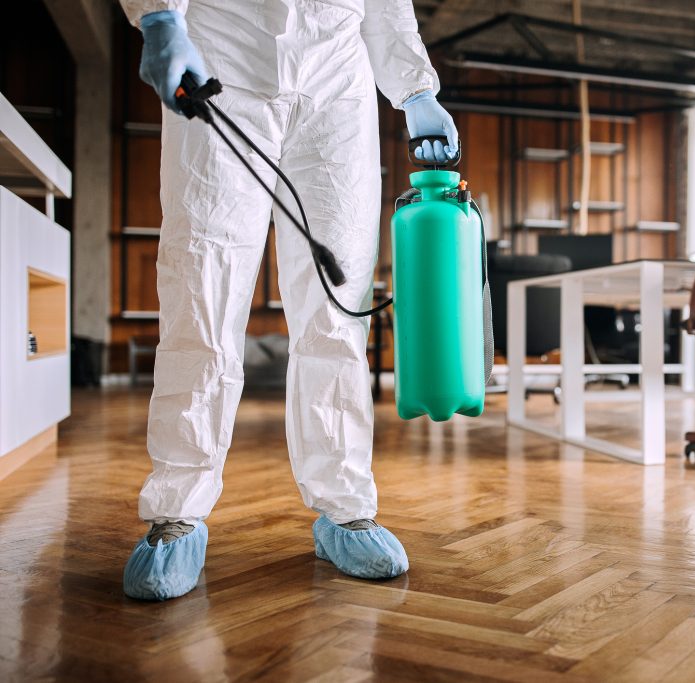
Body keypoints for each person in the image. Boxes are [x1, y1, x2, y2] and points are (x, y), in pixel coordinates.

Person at [119, 0, 458, 601]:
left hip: (337, 77)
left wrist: (414, 92)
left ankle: (345, 506)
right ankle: (178, 510)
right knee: (202, 291)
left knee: (336, 310)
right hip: (224, 50)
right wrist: (160, 16)